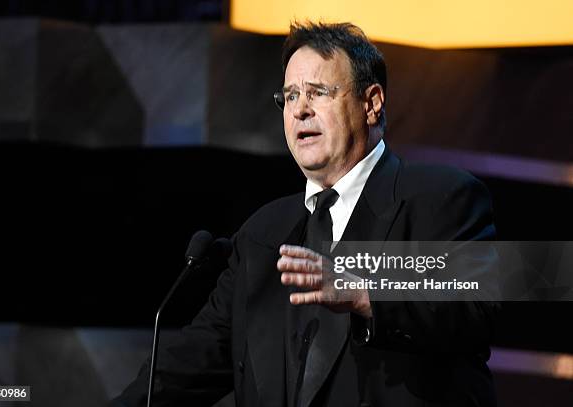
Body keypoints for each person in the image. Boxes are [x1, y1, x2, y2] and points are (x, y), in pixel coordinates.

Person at [112, 22, 499, 407]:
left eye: (318, 92)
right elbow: (193, 362)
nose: (300, 110)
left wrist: (367, 294)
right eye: (291, 96)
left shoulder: (441, 198)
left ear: (372, 102)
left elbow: (478, 308)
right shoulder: (263, 234)